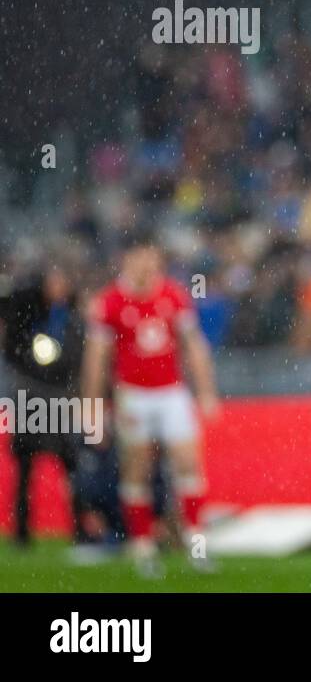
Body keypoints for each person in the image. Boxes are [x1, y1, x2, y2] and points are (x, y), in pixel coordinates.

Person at [82, 238, 221, 577]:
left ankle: (196, 546)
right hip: (132, 395)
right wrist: (93, 408)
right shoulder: (110, 302)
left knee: (189, 462)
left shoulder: (173, 295)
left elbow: (194, 346)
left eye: (152, 258)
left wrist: (206, 391)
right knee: (137, 469)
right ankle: (143, 548)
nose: (147, 265)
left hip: (171, 392)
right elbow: (97, 359)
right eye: (141, 258)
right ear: (127, 259)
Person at [0, 266, 90, 547]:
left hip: (59, 397)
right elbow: (14, 350)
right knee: (26, 464)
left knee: (71, 464)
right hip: (31, 396)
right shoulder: (27, 314)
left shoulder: (72, 319)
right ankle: (22, 531)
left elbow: (78, 358)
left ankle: (80, 528)